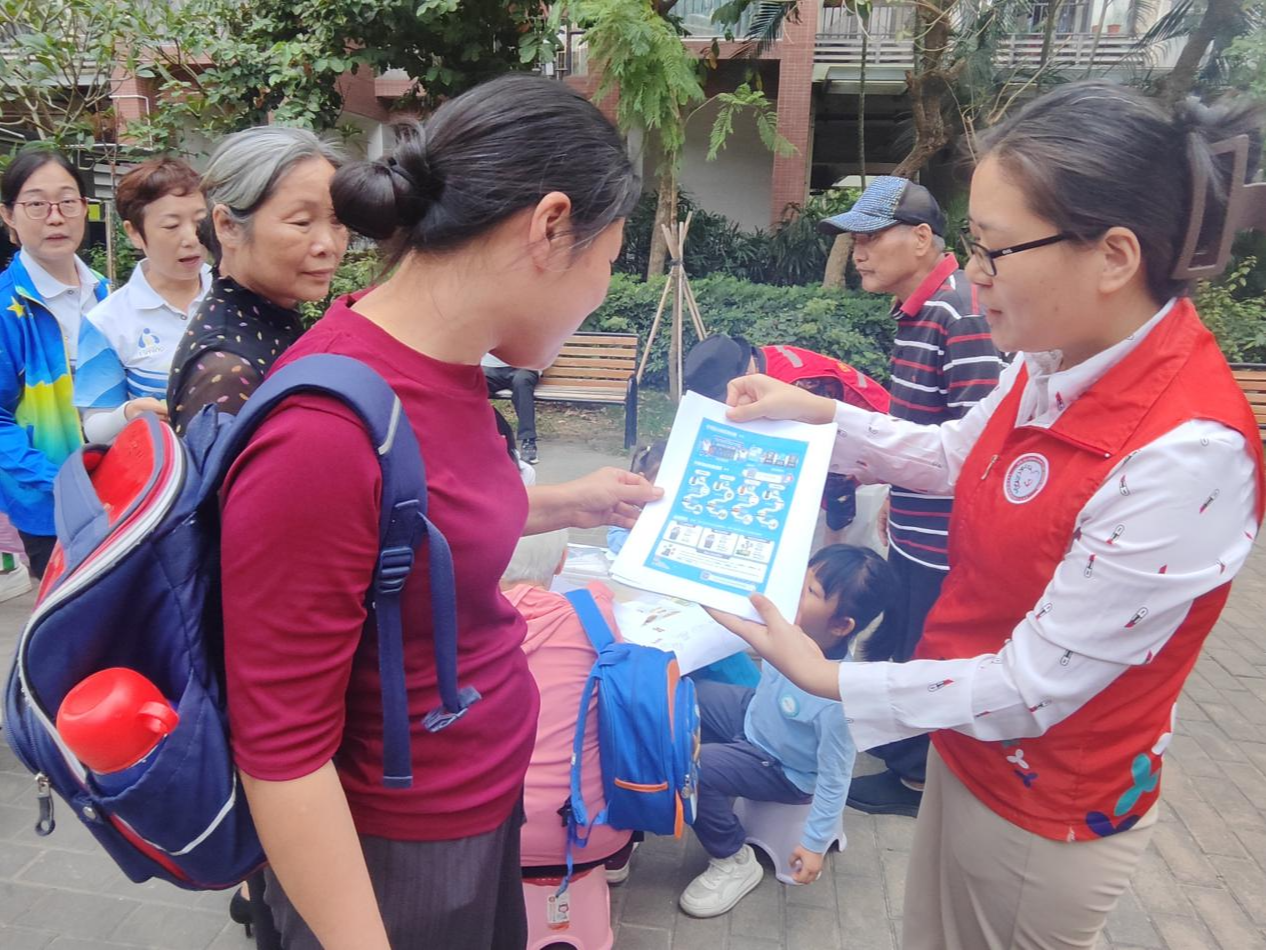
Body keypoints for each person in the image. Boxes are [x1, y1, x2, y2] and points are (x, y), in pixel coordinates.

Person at [708, 82, 1265, 949]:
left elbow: (1033, 689)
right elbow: (949, 454)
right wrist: (813, 412)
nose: (972, 275)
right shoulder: (1048, 358)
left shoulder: (1186, 455)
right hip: (964, 746)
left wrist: (829, 679)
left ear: (1112, 256)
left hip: (1048, 801)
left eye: (994, 250)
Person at [218, 73, 657, 949]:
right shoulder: (323, 433)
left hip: (473, 809)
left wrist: (571, 501)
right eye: (609, 262)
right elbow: (281, 754)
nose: (603, 292)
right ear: (549, 226)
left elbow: (423, 526)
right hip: (394, 861)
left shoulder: (451, 371)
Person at [817, 176, 1003, 816]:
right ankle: (904, 754)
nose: (859, 252)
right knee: (902, 637)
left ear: (923, 238)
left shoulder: (960, 311)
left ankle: (918, 779)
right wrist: (892, 482)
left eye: (871, 237)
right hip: (919, 524)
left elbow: (976, 446)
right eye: (855, 239)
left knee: (925, 647)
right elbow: (926, 425)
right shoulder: (923, 309)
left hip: (949, 538)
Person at [680, 544, 896, 918]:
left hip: (779, 766)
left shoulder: (837, 700)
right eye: (803, 580)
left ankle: (732, 858)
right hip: (753, 717)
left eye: (811, 591)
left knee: (692, 770)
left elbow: (835, 778)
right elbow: (735, 615)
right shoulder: (792, 629)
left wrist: (812, 846)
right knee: (681, 697)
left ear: (841, 625)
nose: (795, 592)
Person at [166, 127, 348, 435]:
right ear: (227, 226)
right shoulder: (225, 369)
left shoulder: (272, 318)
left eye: (338, 221)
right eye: (302, 222)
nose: (328, 244)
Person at [0, 147, 109, 577]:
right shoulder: (8, 307)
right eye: (36, 204)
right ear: (9, 214)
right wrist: (61, 482)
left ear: (84, 208)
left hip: (117, 493)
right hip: (51, 510)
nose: (56, 216)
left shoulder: (106, 295)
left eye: (67, 201)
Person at [501, 529, 635, 876]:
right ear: (562, 562)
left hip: (479, 836)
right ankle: (619, 864)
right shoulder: (593, 616)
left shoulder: (453, 621)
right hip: (591, 833)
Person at [684, 334, 891, 548]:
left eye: (726, 397)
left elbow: (837, 480)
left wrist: (829, 552)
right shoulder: (760, 363)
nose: (729, 405)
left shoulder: (800, 388)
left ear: (744, 376)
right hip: (841, 460)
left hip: (882, 464)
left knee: (840, 557)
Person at [74, 158, 211, 443]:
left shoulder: (236, 292)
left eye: (200, 221)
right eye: (172, 226)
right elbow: (94, 426)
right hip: (170, 477)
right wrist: (128, 413)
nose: (191, 238)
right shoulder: (106, 322)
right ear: (134, 232)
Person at [483, 352, 541, 463]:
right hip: (489, 367)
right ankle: (482, 439)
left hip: (524, 368)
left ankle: (528, 441)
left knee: (522, 383)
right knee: (473, 386)